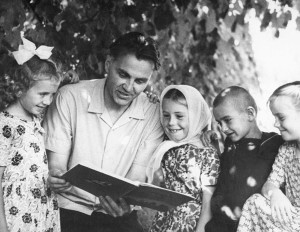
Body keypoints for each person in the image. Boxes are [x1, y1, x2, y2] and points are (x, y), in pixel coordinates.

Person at [43, 32, 164, 232]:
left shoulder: (153, 113)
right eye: (123, 74)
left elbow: (137, 175)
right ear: (108, 64)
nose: (129, 87)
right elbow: (57, 164)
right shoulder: (70, 97)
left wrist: (126, 202)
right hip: (69, 207)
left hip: (117, 213)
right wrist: (56, 176)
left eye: (140, 81)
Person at [0, 37, 61, 232]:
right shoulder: (5, 125)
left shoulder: (34, 120)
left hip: (39, 209)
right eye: (43, 94)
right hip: (16, 216)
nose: (48, 101)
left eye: (52, 95)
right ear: (20, 88)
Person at [204, 86, 284, 232]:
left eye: (227, 120)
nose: (223, 128)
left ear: (250, 114)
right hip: (219, 224)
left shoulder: (273, 143)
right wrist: (214, 148)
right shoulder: (230, 143)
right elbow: (225, 169)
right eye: (219, 123)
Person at [146, 85, 220, 232]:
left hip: (190, 225)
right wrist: (152, 104)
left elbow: (208, 204)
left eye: (179, 116)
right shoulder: (169, 145)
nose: (171, 122)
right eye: (166, 115)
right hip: (165, 222)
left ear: (195, 116)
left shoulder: (207, 152)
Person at [237, 81, 300, 232]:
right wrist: (275, 193)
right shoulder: (287, 150)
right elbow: (269, 184)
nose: (276, 124)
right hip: (293, 219)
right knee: (254, 202)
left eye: (281, 117)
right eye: (274, 117)